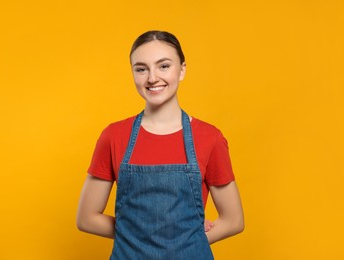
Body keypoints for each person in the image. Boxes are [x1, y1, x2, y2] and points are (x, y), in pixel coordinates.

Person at [77, 30, 244, 259]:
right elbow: (86, 218)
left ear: (182, 69)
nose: (152, 78)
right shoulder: (114, 136)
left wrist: (185, 238)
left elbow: (234, 220)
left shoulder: (209, 138)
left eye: (163, 66)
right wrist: (140, 236)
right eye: (141, 68)